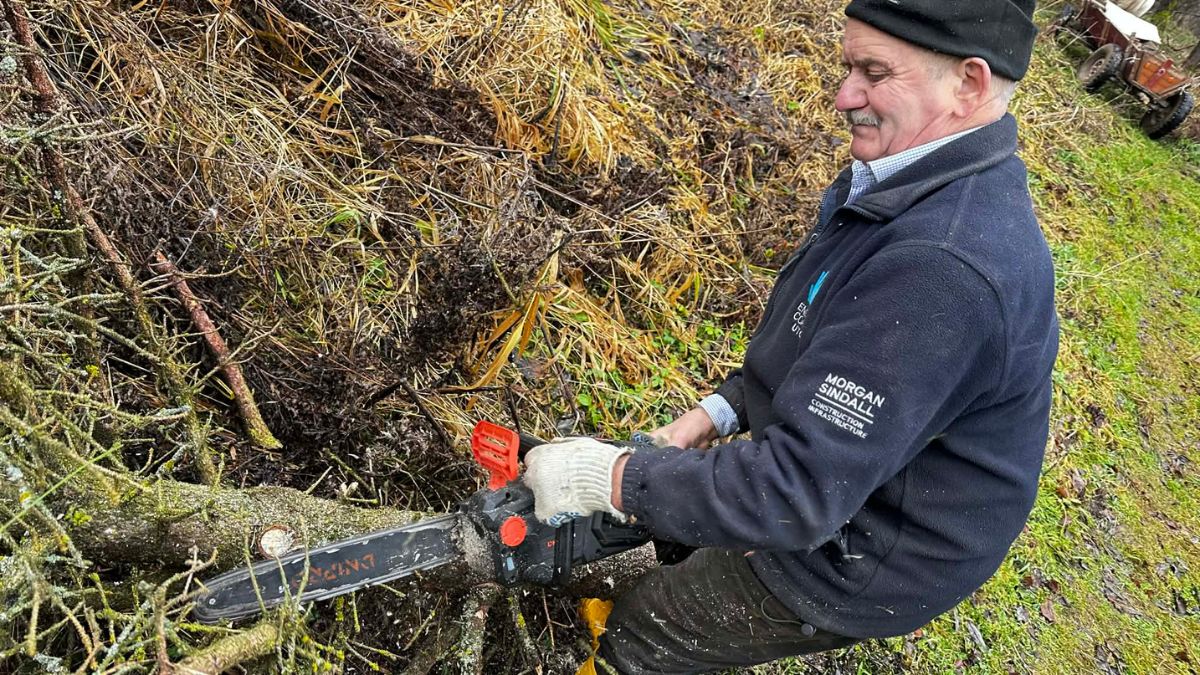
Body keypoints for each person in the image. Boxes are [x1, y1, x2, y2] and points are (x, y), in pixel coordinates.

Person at [524, 1, 1059, 672]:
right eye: (847, 66)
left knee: (646, 631)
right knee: (683, 538)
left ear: (969, 84)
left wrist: (607, 475)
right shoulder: (902, 177)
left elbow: (795, 491)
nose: (844, 96)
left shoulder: (943, 267)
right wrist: (710, 415)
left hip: (868, 548)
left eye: (873, 72)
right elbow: (811, 336)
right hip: (835, 481)